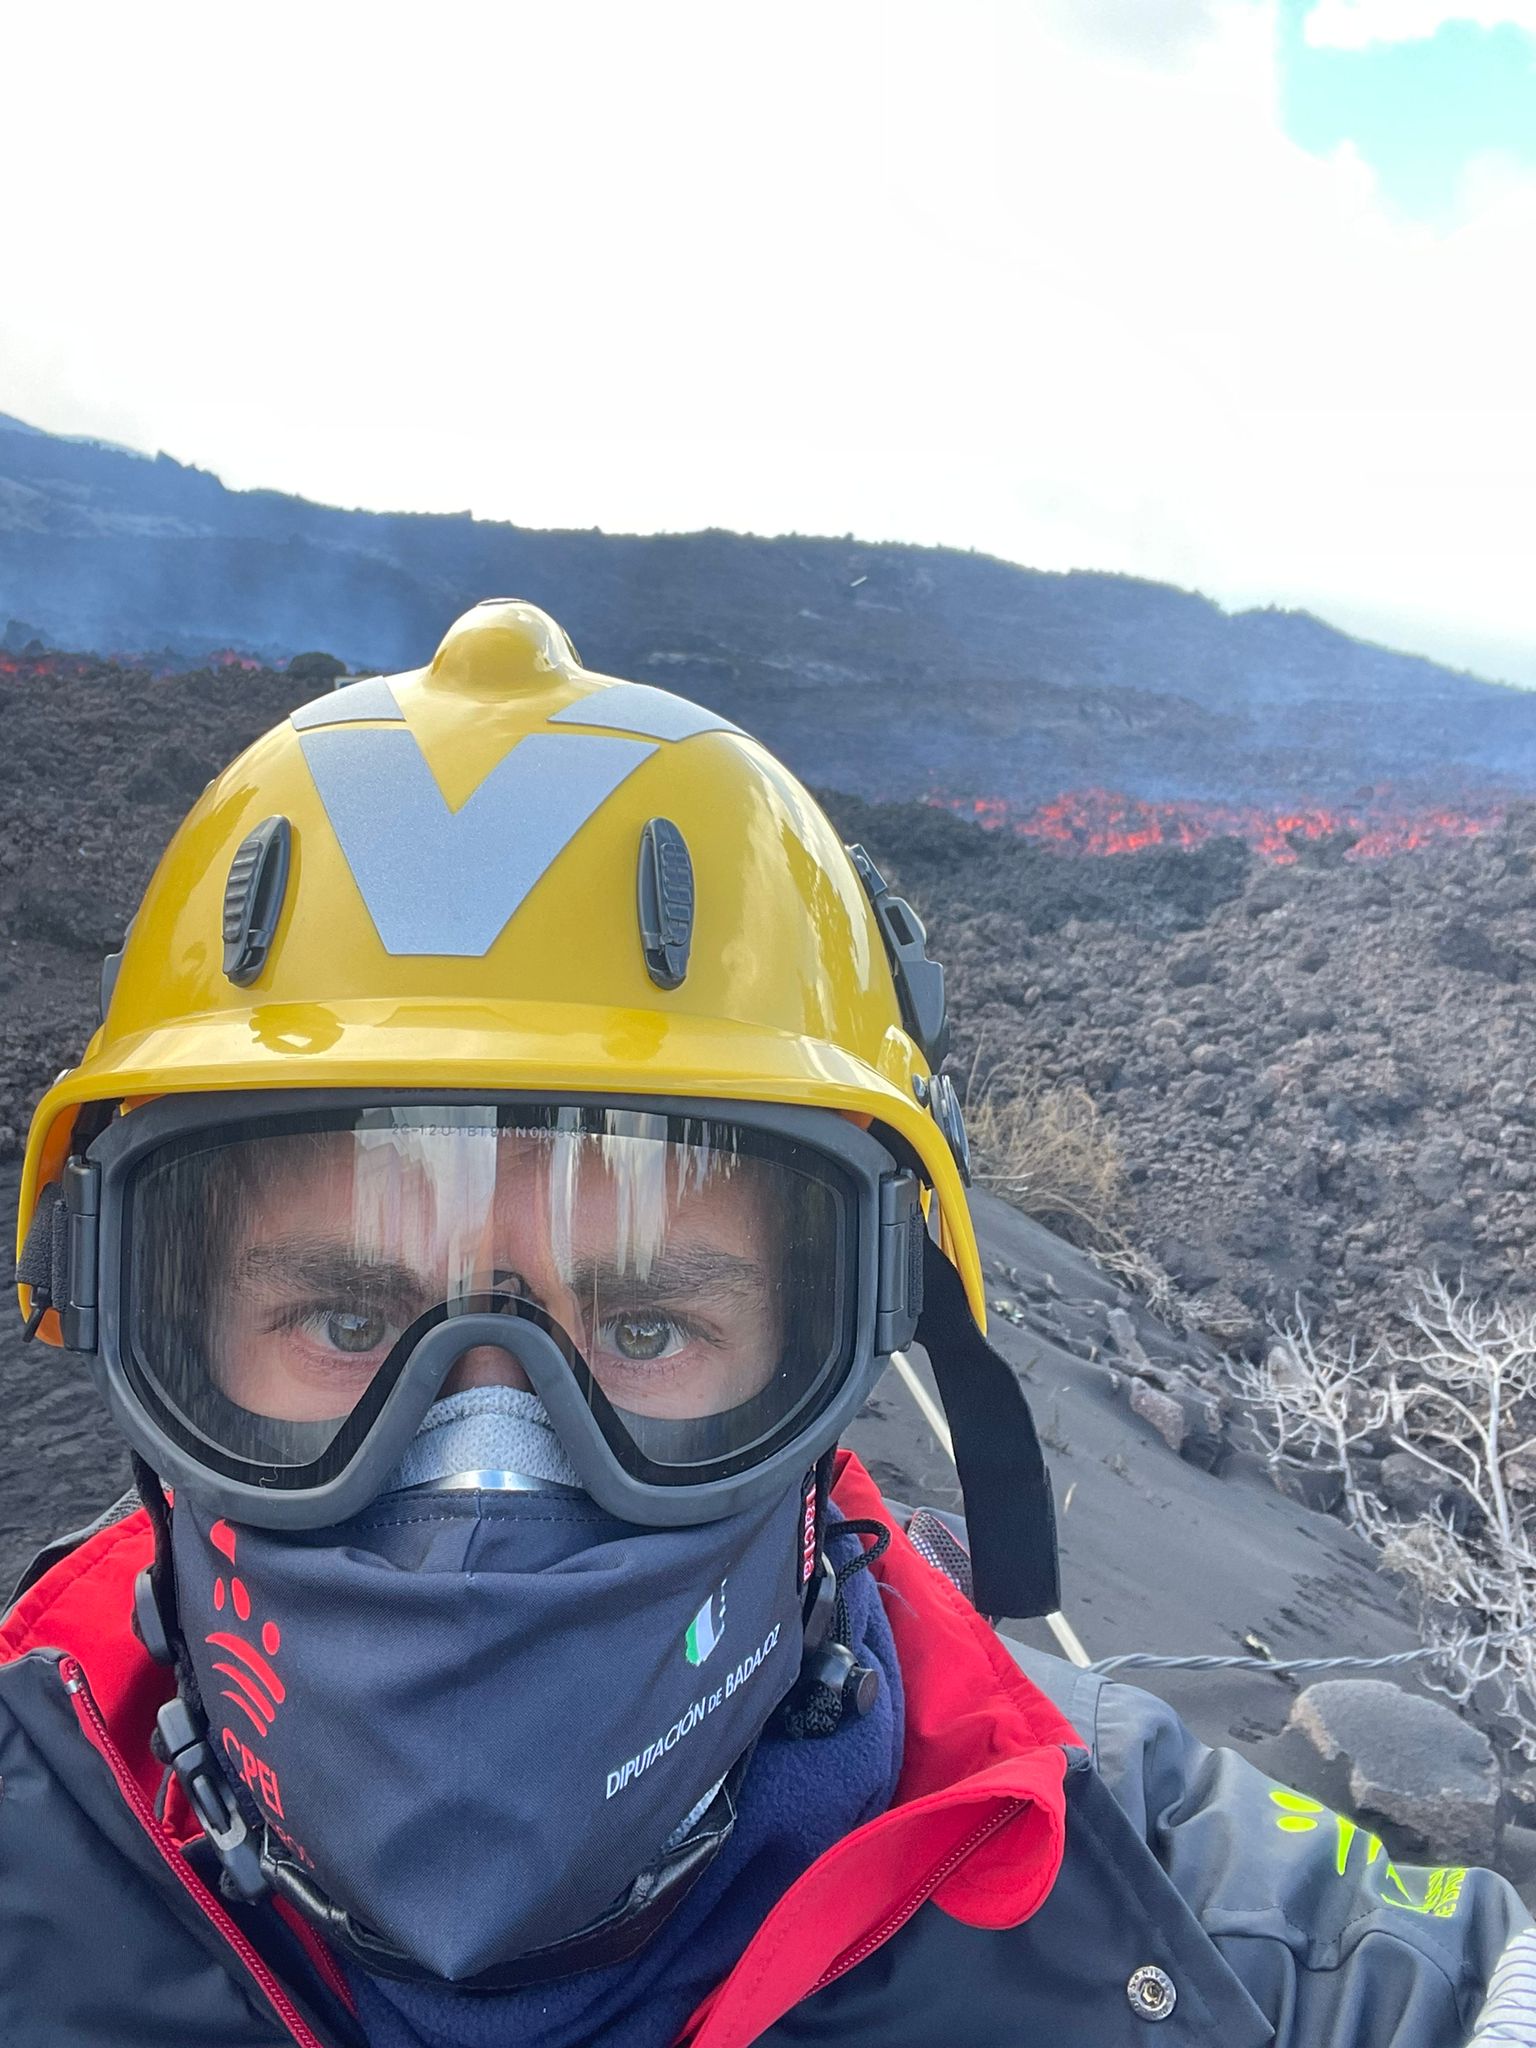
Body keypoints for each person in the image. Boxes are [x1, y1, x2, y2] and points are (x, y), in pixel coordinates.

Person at [1, 599, 1530, 2048]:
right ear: (153, 1335)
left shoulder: (1167, 1906)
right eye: (345, 1317)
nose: (484, 1475)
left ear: (856, 1340)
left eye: (648, 1330)